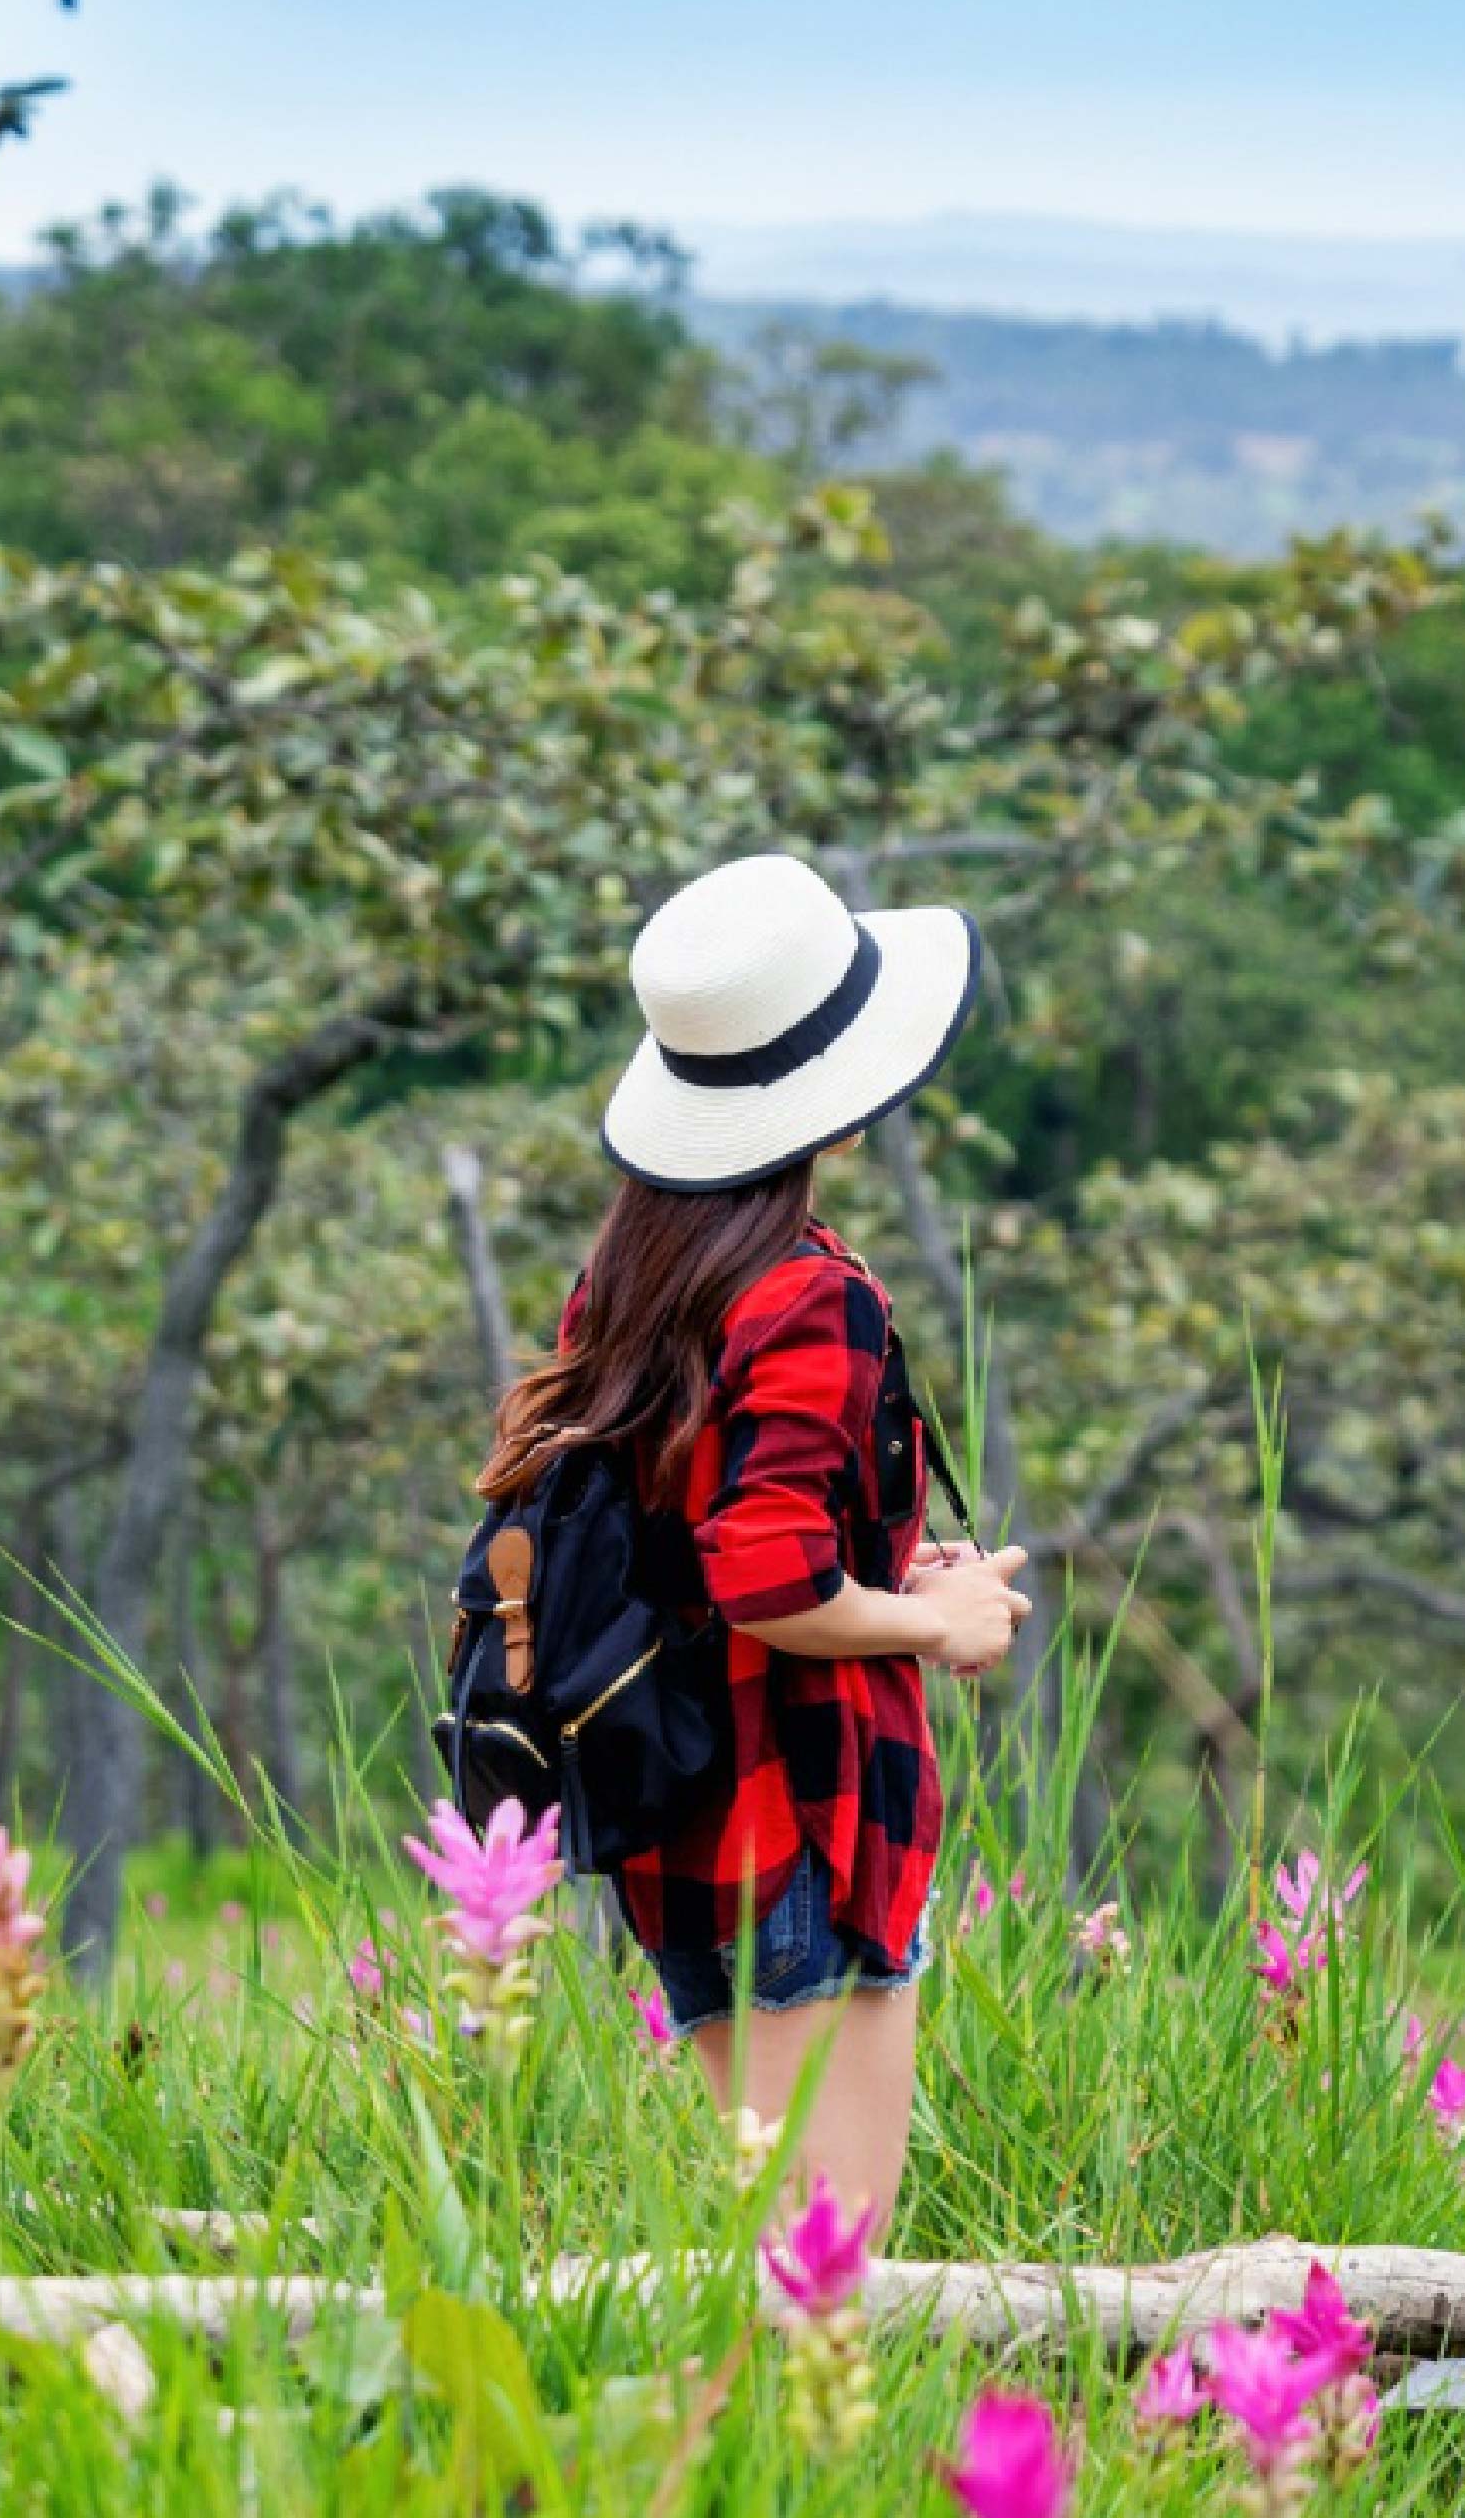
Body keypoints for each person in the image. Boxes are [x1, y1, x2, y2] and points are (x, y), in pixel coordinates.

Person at [470, 852, 1028, 2221]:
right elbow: (766, 1575)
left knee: (765, 2218)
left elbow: (696, 1538)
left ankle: (735, 2434)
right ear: (836, 1095)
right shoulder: (808, 1292)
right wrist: (933, 1621)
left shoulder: (629, 1280)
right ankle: (773, 2441)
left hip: (679, 1817)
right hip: (811, 1817)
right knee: (828, 2255)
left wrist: (890, 1571)